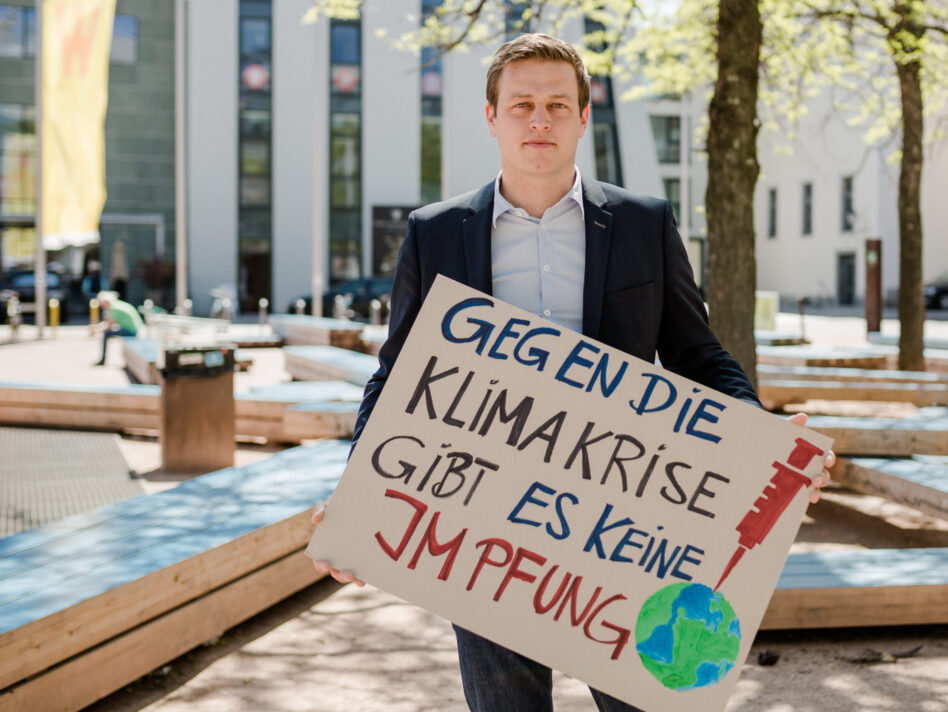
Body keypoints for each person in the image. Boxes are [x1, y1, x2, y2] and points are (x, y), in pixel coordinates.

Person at [311, 33, 834, 712]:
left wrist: (761, 440)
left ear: (585, 117)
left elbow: (696, 353)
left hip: (618, 528)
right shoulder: (435, 233)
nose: (540, 119)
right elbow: (400, 375)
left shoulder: (645, 224)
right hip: (484, 524)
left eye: (559, 105)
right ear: (491, 116)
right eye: (522, 103)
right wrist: (360, 481)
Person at [91, 290, 143, 366]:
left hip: (131, 331)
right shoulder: (116, 304)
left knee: (106, 334)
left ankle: (103, 359)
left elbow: (108, 326)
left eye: (101, 304)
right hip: (134, 328)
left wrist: (95, 328)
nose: (101, 307)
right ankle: (103, 359)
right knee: (108, 332)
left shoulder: (113, 308)